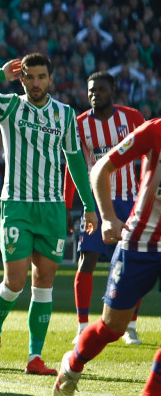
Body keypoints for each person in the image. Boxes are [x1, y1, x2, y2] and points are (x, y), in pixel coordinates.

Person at [0, 54, 97, 375]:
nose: (35, 82)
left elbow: (75, 160)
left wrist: (88, 206)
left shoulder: (64, 114)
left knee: (44, 281)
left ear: (50, 79)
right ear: (21, 80)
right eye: (29, 77)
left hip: (52, 209)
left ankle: (35, 357)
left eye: (41, 77)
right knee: (15, 281)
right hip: (17, 205)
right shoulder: (10, 106)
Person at [52, 118, 161, 396]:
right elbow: (100, 168)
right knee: (113, 327)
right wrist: (109, 217)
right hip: (139, 244)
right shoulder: (155, 130)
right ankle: (73, 364)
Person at [63, 72, 145, 345]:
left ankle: (130, 326)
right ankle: (82, 327)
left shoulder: (131, 118)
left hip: (129, 200)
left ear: (113, 90)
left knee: (133, 263)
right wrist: (67, 205)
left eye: (101, 89)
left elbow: (149, 153)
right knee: (86, 261)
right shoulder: (80, 124)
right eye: (91, 90)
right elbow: (73, 166)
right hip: (96, 203)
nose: (95, 94)